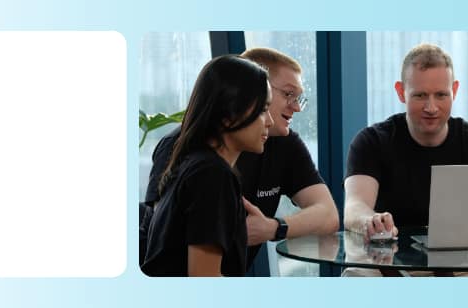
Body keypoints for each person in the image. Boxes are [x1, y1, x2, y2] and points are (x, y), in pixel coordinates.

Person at [143, 48, 339, 274]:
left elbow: (329, 215)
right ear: (233, 105)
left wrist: (271, 228)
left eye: (299, 98)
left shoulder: (216, 166)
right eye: (287, 94)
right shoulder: (208, 170)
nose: (296, 107)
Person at [343, 43, 468, 241]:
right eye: (420, 95)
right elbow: (354, 207)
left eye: (441, 95)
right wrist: (370, 221)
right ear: (401, 92)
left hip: (461, 263)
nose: (431, 107)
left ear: (455, 90)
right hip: (384, 260)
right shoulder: (371, 142)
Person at [141, 55, 272, 276]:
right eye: (262, 109)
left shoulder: (193, 163)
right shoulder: (213, 175)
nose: (270, 121)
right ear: (228, 114)